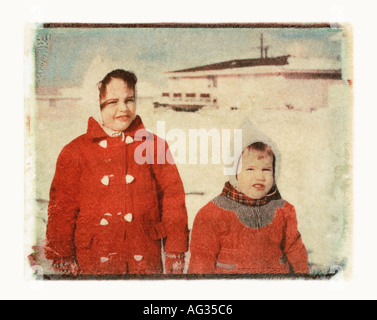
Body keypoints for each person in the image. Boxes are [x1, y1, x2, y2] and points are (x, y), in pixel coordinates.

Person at [45, 69, 189, 275]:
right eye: (113, 102)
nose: (123, 108)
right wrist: (62, 254)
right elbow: (62, 206)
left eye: (129, 100)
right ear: (97, 104)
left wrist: (175, 249)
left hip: (143, 252)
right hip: (94, 254)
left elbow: (172, 199)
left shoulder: (154, 146)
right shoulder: (75, 151)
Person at [188, 121, 309, 274]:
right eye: (250, 169)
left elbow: (296, 252)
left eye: (266, 169)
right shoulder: (212, 214)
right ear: (235, 173)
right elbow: (201, 262)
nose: (259, 176)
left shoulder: (283, 210)